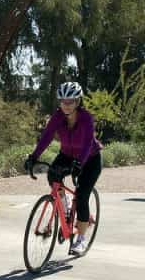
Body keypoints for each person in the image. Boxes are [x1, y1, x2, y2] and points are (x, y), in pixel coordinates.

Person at [24, 81, 103, 255]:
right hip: (67, 155)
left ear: (77, 101)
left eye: (70, 101)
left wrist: (80, 163)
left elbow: (87, 143)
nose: (66, 105)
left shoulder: (86, 118)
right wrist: (34, 156)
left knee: (82, 196)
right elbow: (46, 137)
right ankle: (65, 206)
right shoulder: (58, 117)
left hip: (90, 158)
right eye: (63, 101)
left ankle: (80, 240)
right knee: (53, 176)